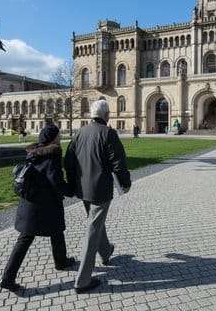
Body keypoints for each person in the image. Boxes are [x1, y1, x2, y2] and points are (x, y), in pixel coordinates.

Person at [65, 100, 132, 293]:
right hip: (100, 190)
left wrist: (72, 185)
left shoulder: (80, 132)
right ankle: (83, 280)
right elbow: (118, 162)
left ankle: (106, 252)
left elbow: (69, 161)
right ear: (107, 116)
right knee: (92, 229)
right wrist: (126, 183)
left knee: (95, 222)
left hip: (83, 189)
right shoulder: (109, 133)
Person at [0, 124, 76, 291]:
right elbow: (55, 180)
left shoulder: (34, 153)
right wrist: (72, 191)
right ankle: (7, 278)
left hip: (30, 201)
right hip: (45, 203)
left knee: (47, 233)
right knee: (49, 231)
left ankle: (61, 261)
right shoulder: (52, 154)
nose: (60, 137)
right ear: (53, 138)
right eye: (58, 135)